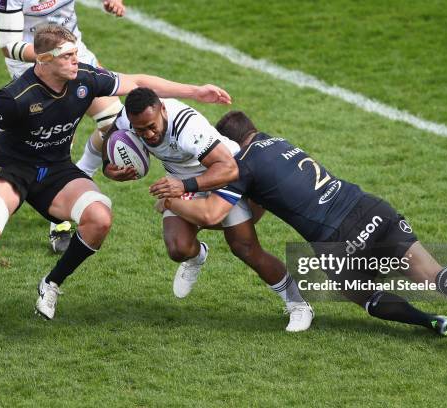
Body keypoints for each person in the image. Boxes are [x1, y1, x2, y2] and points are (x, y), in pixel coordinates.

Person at [0, 24, 232, 355]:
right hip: (12, 171)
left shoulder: (85, 80)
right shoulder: (14, 98)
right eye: (68, 56)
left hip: (57, 171)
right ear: (44, 60)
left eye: (76, 52)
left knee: (99, 218)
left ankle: (51, 284)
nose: (76, 60)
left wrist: (196, 91)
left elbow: (136, 82)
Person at [157, 110, 447, 352]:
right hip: (371, 208)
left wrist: (176, 196)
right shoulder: (282, 143)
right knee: (432, 272)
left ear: (231, 145)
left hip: (337, 240)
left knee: (362, 295)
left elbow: (214, 216)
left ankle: (432, 321)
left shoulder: (242, 167)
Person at [103, 88, 313, 332]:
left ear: (162, 109)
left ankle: (298, 305)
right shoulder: (126, 120)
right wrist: (110, 169)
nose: (148, 135)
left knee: (244, 247)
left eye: (151, 126)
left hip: (220, 175)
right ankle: (196, 256)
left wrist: (182, 186)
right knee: (178, 248)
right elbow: (108, 140)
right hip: (181, 180)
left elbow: (228, 168)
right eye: (140, 130)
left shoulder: (187, 127)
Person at [0, 0, 127, 252]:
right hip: (35, 65)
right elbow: (8, 46)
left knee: (115, 124)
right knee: (58, 137)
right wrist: (51, 55)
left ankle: (82, 174)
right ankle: (60, 221)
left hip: (73, 54)